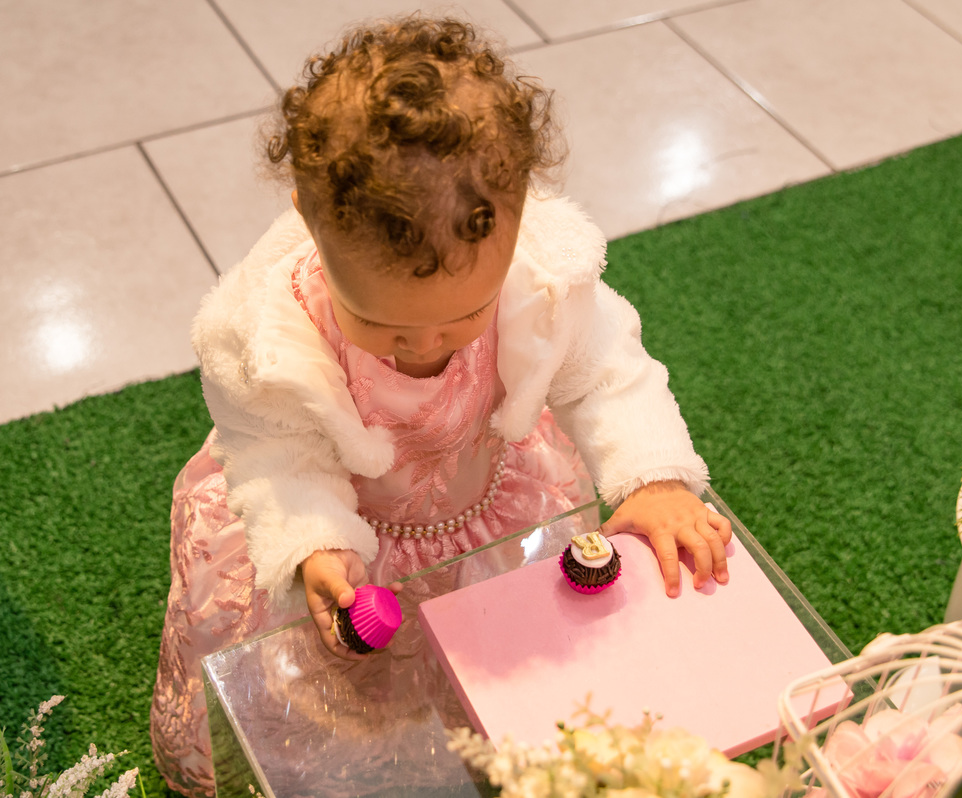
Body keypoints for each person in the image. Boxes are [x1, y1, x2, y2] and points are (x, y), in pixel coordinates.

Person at [150, 14, 731, 797]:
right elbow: (276, 448)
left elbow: (606, 373)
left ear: (522, 213)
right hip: (354, 530)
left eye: (465, 316)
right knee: (339, 702)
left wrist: (650, 478)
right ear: (312, 225)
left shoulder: (544, 278)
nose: (423, 346)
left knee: (499, 669)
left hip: (489, 499)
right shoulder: (267, 337)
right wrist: (315, 542)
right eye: (383, 325)